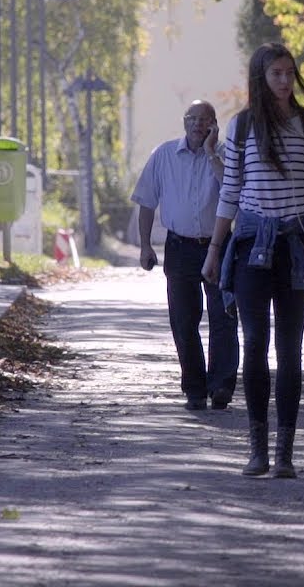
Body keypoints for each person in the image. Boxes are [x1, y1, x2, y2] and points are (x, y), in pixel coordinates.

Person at [201, 42, 304, 479]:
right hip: (251, 244)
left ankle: (285, 453)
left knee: (289, 351)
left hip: (296, 245)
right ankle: (256, 449)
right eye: (276, 74)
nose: (286, 81)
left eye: (290, 72)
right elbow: (229, 192)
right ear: (261, 78)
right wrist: (214, 252)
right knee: (254, 344)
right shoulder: (242, 126)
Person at [131, 99, 240, 412]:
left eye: (204, 119)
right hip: (179, 247)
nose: (197, 124)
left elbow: (234, 191)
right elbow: (146, 202)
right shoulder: (164, 155)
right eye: (192, 118)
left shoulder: (223, 156)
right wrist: (145, 246)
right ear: (183, 122)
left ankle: (220, 385)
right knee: (183, 320)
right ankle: (194, 388)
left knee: (224, 317)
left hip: (218, 246)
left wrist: (210, 153)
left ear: (213, 125)